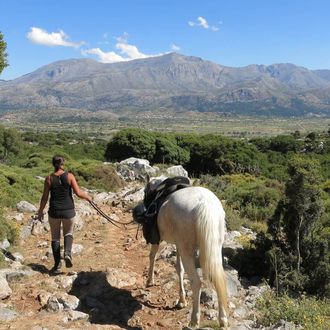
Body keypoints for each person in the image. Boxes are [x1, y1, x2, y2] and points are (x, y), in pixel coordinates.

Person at [38, 155, 92, 275]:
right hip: (68, 211)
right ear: (63, 164)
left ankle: (57, 266)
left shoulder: (49, 179)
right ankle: (67, 253)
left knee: (55, 238)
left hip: (54, 212)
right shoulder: (69, 176)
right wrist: (88, 197)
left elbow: (44, 197)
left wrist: (40, 211)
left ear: (53, 164)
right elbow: (78, 193)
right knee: (68, 233)